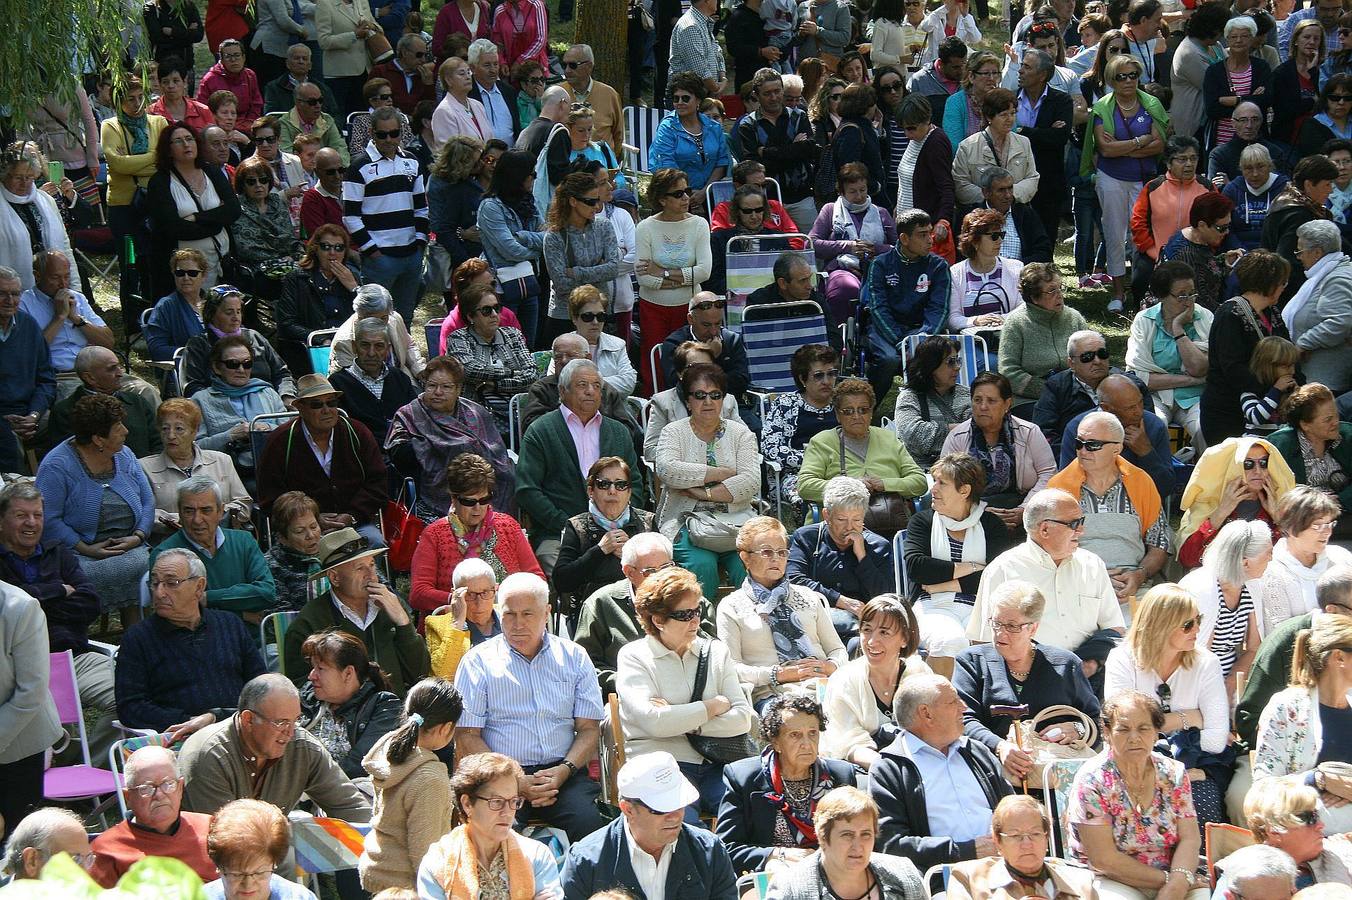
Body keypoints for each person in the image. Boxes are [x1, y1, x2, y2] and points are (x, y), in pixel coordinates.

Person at [452, 572, 606, 841]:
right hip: (498, 775)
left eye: (528, 614)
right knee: (495, 834)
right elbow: (466, 736)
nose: (517, 624)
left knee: (594, 827)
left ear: (546, 612)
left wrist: (564, 770)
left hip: (563, 771)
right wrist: (515, 781)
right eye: (510, 614)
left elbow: (589, 729)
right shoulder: (478, 661)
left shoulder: (573, 657)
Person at [617, 566, 755, 821]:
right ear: (658, 620)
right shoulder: (634, 657)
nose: (695, 620)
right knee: (683, 828)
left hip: (715, 761)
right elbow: (654, 722)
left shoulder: (716, 652)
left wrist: (682, 720)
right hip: (661, 766)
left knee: (751, 815)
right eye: (685, 614)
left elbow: (742, 718)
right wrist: (712, 707)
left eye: (698, 610)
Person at [1103, 584, 1234, 832]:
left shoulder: (1206, 663)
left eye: (1199, 620)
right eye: (1188, 625)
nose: (1197, 630)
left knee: (1203, 808)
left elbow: (1216, 739)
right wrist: (1188, 719)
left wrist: (1149, 729)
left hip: (1194, 768)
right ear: (1160, 626)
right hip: (1136, 768)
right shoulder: (1122, 660)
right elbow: (1122, 732)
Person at [968, 488, 1126, 681]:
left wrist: (1091, 664)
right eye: (1074, 524)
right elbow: (983, 643)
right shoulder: (1003, 570)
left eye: (1081, 522)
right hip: (1028, 681)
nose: (1081, 530)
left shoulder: (1092, 565)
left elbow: (1115, 629)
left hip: (1090, 679)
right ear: (1044, 529)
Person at [1066, 689, 1210, 900]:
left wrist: (1179, 880)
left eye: (1143, 728)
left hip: (1175, 873)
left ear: (1155, 732)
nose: (1134, 738)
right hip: (1111, 879)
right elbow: (1103, 859)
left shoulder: (1173, 773)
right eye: (1123, 729)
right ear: (1107, 732)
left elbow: (1189, 838)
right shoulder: (1093, 780)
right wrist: (1169, 881)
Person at [953, 579, 1100, 780]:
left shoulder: (1065, 664)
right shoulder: (971, 661)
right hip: (992, 774)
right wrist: (999, 747)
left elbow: (1096, 720)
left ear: (1033, 628)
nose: (1000, 633)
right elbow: (962, 720)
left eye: (1012, 626)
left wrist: (1078, 728)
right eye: (996, 623)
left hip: (1053, 778)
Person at [114, 548, 266, 737]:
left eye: (172, 583)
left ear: (199, 587)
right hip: (181, 737)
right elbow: (131, 707)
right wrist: (189, 721)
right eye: (154, 583)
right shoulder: (138, 638)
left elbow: (260, 684)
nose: (159, 593)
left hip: (241, 729)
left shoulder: (230, 624)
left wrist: (219, 718)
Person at [869, 672, 1013, 869]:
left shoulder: (975, 751)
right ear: (926, 713)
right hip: (944, 876)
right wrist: (964, 851)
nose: (964, 707)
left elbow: (1011, 809)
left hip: (1007, 866)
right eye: (954, 702)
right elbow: (891, 845)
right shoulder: (890, 768)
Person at [180, 675, 370, 819]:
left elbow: (351, 808)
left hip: (272, 861)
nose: (290, 732)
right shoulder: (209, 755)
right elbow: (226, 837)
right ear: (248, 720)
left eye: (295, 721)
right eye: (281, 722)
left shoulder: (303, 748)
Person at [516, 359, 643, 572]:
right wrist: (569, 525)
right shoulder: (541, 431)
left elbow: (636, 484)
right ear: (562, 391)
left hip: (619, 530)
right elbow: (527, 490)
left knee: (647, 564)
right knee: (559, 569)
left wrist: (621, 522)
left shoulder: (618, 432)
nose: (590, 391)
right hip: (559, 534)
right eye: (582, 385)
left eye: (596, 386)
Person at [35, 393, 154, 616]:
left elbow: (148, 500)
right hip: (78, 552)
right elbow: (48, 518)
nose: (125, 431)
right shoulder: (57, 466)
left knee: (148, 566)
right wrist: (84, 547)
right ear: (98, 439)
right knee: (86, 576)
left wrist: (138, 536)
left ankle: (136, 637)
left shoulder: (125, 455)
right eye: (118, 426)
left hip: (131, 545)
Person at [559, 750, 737, 899]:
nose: (675, 816)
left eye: (680, 804)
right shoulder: (585, 860)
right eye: (661, 809)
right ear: (628, 809)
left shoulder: (710, 850)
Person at [716, 516, 848, 712]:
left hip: (822, 685)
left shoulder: (809, 597)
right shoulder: (731, 606)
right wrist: (779, 674)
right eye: (767, 552)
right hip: (772, 692)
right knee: (796, 716)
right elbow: (732, 668)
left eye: (782, 552)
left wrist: (831, 666)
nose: (776, 558)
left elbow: (838, 650)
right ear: (745, 557)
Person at [652, 363, 759, 598]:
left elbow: (751, 482)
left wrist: (704, 493)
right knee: (702, 566)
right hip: (684, 520)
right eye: (699, 395)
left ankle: (750, 626)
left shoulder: (741, 434)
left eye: (715, 395)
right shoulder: (673, 432)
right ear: (688, 401)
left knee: (750, 565)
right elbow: (668, 471)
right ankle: (700, 626)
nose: (708, 401)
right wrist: (720, 473)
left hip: (736, 521)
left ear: (724, 399)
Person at [905, 451, 1020, 665]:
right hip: (932, 606)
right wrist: (973, 567)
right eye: (935, 481)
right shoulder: (922, 521)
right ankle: (938, 699)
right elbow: (917, 567)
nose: (934, 489)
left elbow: (997, 578)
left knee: (988, 640)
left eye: (942, 483)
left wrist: (943, 585)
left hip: (979, 606)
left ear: (964, 490)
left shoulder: (992, 525)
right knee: (949, 640)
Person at [284, 528, 427, 694]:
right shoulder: (309, 622)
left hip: (395, 711)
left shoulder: (390, 606)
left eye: (372, 565)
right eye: (360, 568)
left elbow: (420, 674)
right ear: (335, 578)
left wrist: (403, 623)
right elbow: (302, 689)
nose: (371, 575)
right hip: (343, 717)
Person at [256, 373, 389, 547]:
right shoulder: (280, 441)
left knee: (375, 541)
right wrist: (310, 519)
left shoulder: (357, 432)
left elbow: (378, 483)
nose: (326, 410)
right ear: (301, 408)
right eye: (316, 404)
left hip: (355, 522)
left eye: (331, 402)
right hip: (300, 528)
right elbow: (270, 497)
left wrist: (352, 515)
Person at [1047, 411, 1170, 600]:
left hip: (1131, 587)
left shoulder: (1141, 482)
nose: (1083, 451)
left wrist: (1140, 575)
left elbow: (1159, 545)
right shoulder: (1058, 488)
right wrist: (1090, 580)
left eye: (1093, 445)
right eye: (1079, 443)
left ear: (1117, 449)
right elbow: (1046, 549)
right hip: (1074, 587)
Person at [357, 678, 461, 893]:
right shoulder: (430, 777)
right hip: (406, 885)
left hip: (375, 870)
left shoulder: (390, 752)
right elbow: (425, 849)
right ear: (447, 728)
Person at [1081, 53, 1167, 311]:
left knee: (1144, 234)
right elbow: (1104, 150)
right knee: (1114, 234)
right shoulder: (1103, 108)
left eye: (1133, 75)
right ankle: (1118, 293)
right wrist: (1140, 142)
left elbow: (1159, 144)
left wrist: (1124, 147)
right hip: (1112, 178)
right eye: (1121, 76)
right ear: (1111, 80)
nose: (1128, 81)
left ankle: (1145, 288)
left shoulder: (1151, 104)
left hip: (1144, 179)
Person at [1253, 613, 1352, 832]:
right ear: (1339, 657)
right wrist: (1317, 779)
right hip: (1307, 832)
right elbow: (1262, 789)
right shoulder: (1287, 708)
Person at [415, 752, 561, 899]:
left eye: (513, 802)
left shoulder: (536, 856)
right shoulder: (439, 863)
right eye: (497, 802)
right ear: (467, 804)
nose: (507, 813)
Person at [385, 356, 514, 523]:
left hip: (484, 485)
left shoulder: (475, 412)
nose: (438, 392)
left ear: (458, 389)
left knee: (509, 475)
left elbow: (496, 451)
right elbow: (398, 452)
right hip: (431, 493)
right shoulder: (409, 414)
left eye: (446, 387)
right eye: (432, 385)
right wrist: (434, 445)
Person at [408, 452, 538, 614]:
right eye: (469, 502)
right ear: (454, 499)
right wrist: (459, 601)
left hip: (507, 617)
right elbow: (418, 593)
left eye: (484, 500)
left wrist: (509, 597)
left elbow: (536, 578)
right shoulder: (435, 534)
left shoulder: (508, 527)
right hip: (455, 621)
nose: (478, 508)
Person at [818, 594, 932, 771]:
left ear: (905, 638)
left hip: (919, 762)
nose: (872, 642)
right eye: (867, 630)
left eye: (884, 632)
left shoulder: (920, 674)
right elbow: (849, 745)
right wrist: (890, 769)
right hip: (864, 770)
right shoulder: (843, 680)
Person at [941, 371, 1057, 530]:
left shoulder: (1029, 432)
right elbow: (946, 482)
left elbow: (1048, 473)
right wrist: (979, 511)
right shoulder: (957, 437)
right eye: (977, 400)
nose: (983, 407)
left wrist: (1025, 509)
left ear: (1007, 404)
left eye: (991, 401)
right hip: (972, 515)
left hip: (1024, 508)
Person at [343, 106, 426, 324]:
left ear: (401, 132)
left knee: (404, 318)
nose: (389, 139)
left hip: (411, 254)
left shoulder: (413, 161)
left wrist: (420, 242)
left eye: (394, 133)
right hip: (380, 259)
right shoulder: (358, 167)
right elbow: (350, 216)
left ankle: (400, 358)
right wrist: (372, 251)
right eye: (382, 134)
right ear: (372, 134)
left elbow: (421, 207)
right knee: (374, 321)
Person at [1200, 250, 1294, 444]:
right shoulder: (1229, 314)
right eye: (1282, 282)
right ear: (1269, 283)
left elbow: (1288, 354)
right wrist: (1275, 388)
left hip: (1266, 412)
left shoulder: (1272, 312)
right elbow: (1233, 368)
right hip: (1228, 412)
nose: (1285, 287)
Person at [787, 476, 897, 639]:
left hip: (862, 629)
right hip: (814, 622)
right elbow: (794, 580)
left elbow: (885, 595)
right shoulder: (806, 538)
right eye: (841, 519)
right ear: (826, 515)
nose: (850, 527)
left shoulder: (878, 545)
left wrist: (862, 557)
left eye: (857, 520)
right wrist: (841, 600)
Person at [88, 746, 215, 886]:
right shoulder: (106, 850)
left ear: (180, 788)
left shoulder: (210, 828)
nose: (159, 795)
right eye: (146, 789)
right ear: (128, 797)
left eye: (168, 784)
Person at [149, 476, 275, 616]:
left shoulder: (244, 541)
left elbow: (267, 593)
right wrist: (242, 614)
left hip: (248, 636)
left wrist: (205, 598)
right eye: (189, 511)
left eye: (206, 510)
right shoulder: (165, 554)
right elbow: (174, 610)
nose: (197, 520)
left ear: (220, 511)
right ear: (179, 512)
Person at [636, 169, 713, 394]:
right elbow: (643, 277)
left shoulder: (699, 224)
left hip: (689, 308)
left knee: (692, 361)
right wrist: (685, 278)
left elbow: (704, 272)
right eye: (678, 194)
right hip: (653, 309)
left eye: (687, 191)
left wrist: (663, 272)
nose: (686, 198)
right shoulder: (645, 227)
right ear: (662, 199)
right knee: (655, 363)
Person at [145, 122, 241, 298]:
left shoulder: (212, 171)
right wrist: (216, 222)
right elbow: (173, 228)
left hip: (222, 259)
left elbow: (233, 210)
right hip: (186, 270)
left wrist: (197, 217)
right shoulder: (160, 183)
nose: (186, 144)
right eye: (179, 141)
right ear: (168, 150)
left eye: (189, 139)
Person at [863, 209, 950, 401]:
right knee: (889, 359)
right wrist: (900, 341)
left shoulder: (939, 266)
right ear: (904, 238)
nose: (930, 239)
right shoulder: (880, 264)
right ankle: (868, 406)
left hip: (921, 329)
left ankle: (931, 410)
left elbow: (939, 309)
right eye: (922, 235)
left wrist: (921, 337)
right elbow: (878, 309)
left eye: (930, 232)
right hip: (885, 330)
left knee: (932, 357)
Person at [554, 457, 655, 617]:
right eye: (604, 484)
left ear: (629, 492)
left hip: (643, 611)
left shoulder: (648, 523)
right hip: (593, 614)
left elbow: (667, 575)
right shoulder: (576, 525)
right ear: (591, 491)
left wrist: (632, 556)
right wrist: (599, 550)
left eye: (620, 485)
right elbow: (562, 581)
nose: (612, 491)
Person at [102, 77, 166, 327]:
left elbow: (166, 160)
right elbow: (116, 163)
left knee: (155, 259)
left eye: (142, 97)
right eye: (131, 99)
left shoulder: (158, 122)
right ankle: (132, 321)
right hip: (123, 206)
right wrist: (153, 158)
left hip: (154, 203)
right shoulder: (111, 126)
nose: (138, 104)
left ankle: (158, 316)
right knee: (130, 261)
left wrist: (135, 163)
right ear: (119, 101)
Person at [297, 628, 402, 779]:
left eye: (320, 668)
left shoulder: (383, 706)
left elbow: (360, 763)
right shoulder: (307, 699)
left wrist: (314, 788)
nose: (311, 676)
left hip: (349, 794)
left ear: (348, 673)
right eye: (313, 668)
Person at [1126, 261, 1211, 447]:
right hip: (1156, 397)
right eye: (1181, 296)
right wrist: (1192, 380)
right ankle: (1160, 475)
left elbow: (1199, 368)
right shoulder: (1144, 321)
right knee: (1154, 428)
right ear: (1162, 296)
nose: (1189, 301)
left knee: (1205, 429)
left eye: (1192, 294)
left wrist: (1178, 328)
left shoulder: (1204, 318)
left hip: (1195, 397)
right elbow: (1141, 378)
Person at [1178, 437, 1295, 569]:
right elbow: (1188, 559)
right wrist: (1218, 516)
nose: (1258, 471)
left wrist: (1277, 518)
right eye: (1248, 464)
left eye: (1264, 463)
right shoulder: (1209, 502)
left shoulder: (1278, 501)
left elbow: (1295, 556)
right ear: (1234, 467)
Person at [189, 334, 289, 477]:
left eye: (247, 363)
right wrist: (230, 435)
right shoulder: (200, 400)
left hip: (274, 466)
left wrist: (267, 429)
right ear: (217, 368)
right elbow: (194, 447)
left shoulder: (267, 392)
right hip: (226, 473)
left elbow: (291, 433)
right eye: (233, 364)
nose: (241, 370)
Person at [809, 163, 898, 322]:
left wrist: (875, 249)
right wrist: (848, 246)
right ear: (841, 192)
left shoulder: (881, 213)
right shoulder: (830, 210)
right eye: (852, 191)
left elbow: (899, 248)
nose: (859, 196)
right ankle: (839, 339)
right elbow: (812, 244)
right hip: (842, 269)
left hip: (878, 270)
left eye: (862, 190)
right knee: (845, 289)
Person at [443, 283, 535, 432]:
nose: (494, 314)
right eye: (486, 310)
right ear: (470, 316)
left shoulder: (513, 334)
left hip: (517, 414)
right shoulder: (459, 338)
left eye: (497, 308)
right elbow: (469, 370)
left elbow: (532, 374)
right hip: (475, 415)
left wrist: (496, 385)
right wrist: (510, 372)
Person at [737, 69, 821, 231]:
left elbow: (809, 150)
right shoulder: (748, 125)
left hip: (801, 196)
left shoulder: (799, 116)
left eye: (777, 91)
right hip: (765, 200)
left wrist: (767, 152)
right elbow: (754, 166)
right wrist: (793, 150)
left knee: (811, 246)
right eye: (767, 93)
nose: (774, 97)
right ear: (756, 94)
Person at [540, 177, 620, 346]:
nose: (597, 207)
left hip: (599, 314)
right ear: (573, 201)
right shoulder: (554, 236)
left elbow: (613, 269)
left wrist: (577, 272)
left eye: (598, 200)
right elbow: (561, 283)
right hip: (565, 317)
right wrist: (599, 270)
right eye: (591, 202)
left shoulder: (604, 226)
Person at [1129, 137, 1211, 299]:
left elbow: (1218, 224)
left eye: (1193, 158)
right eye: (1182, 159)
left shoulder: (1207, 188)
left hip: (1196, 256)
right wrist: (1155, 253)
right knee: (1140, 280)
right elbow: (1138, 223)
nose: (1189, 164)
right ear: (1168, 163)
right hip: (1155, 254)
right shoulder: (1153, 187)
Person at [182, 286, 296, 399]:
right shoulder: (198, 345)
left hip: (268, 402)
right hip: (222, 406)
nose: (236, 317)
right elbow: (193, 387)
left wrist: (286, 396)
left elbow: (282, 374)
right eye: (229, 312)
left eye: (238, 311)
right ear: (211, 314)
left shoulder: (255, 337)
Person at [48, 346, 162, 459]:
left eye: (119, 366)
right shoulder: (65, 412)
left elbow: (159, 442)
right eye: (112, 368)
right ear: (89, 377)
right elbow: (69, 458)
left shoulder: (137, 402)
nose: (120, 373)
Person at [275, 225, 360, 375]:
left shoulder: (352, 276)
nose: (332, 253)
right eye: (326, 247)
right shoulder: (297, 279)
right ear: (316, 249)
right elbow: (286, 323)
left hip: (348, 346)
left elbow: (369, 316)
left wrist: (354, 288)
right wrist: (321, 339)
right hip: (313, 348)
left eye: (339, 248)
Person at [997, 263, 1087, 403]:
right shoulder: (1016, 323)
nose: (1059, 295)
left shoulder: (1074, 318)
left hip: (1075, 392)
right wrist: (1047, 390)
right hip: (1031, 399)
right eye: (1052, 291)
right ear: (1034, 298)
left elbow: (1091, 356)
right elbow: (1008, 371)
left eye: (1060, 288)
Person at [1239, 778, 1352, 888]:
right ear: (1274, 831)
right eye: (1309, 818)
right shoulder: (1247, 880)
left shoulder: (1342, 851)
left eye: (1316, 814)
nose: (1320, 825)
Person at [21, 249, 116, 376]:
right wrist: (59, 317)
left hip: (94, 371)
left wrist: (76, 318)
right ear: (37, 276)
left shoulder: (78, 298)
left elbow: (108, 342)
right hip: (58, 375)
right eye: (55, 277)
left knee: (143, 391)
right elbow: (32, 352)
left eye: (67, 276)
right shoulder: (23, 304)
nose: (63, 284)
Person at [1284, 220, 1352, 393]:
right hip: (1317, 379)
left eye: (1300, 251)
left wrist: (1303, 344)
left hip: (1328, 384)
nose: (1298, 257)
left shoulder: (1337, 278)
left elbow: (1340, 322)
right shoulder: (1327, 273)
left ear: (1316, 252)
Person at [953, 88, 1039, 222]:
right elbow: (960, 185)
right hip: (981, 218)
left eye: (1013, 113)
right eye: (1004, 114)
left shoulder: (1024, 142)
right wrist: (992, 198)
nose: (1010, 119)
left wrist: (1009, 195)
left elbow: (1032, 178)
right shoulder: (967, 146)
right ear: (989, 117)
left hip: (1017, 215)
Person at [1263, 156, 1342, 304]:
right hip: (1295, 297)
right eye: (1327, 184)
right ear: (1309, 184)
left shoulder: (1295, 203)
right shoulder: (1297, 215)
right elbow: (1288, 263)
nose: (1331, 190)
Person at [1269, 486, 1352, 626]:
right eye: (1318, 525)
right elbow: (1278, 632)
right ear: (1291, 528)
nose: (1327, 532)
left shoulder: (1341, 557)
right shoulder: (1272, 571)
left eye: (1330, 524)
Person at [0, 143, 76, 294]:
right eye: (18, 177)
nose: (24, 183)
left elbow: (65, 248)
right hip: (11, 294)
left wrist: (75, 287)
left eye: (29, 177)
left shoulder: (46, 200)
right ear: (5, 175)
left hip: (53, 289)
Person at [328, 318, 418, 441]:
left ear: (387, 349)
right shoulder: (337, 384)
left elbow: (416, 419)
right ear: (354, 347)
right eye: (365, 345)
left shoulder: (400, 378)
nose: (371, 353)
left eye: (379, 346)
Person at [1270, 388, 1352, 522]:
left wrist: (1340, 500)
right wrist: (1312, 503)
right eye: (1328, 419)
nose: (1336, 422)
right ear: (1305, 424)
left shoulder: (1348, 435)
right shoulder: (1279, 446)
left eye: (1336, 415)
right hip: (1300, 521)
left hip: (1345, 516)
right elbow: (1277, 491)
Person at [893, 336, 972, 471]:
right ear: (931, 366)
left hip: (960, 470)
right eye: (950, 362)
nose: (957, 367)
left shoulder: (966, 394)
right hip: (918, 470)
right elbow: (914, 435)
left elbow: (979, 432)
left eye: (958, 361)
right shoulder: (909, 396)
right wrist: (961, 429)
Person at [0, 266, 52, 470]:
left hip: (29, 411)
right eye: (2, 294)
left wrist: (33, 415)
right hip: (3, 414)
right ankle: (16, 497)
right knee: (6, 439)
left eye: (15, 294)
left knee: (76, 423)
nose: (10, 300)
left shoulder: (29, 326)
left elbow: (46, 379)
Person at [328, 284, 426, 381]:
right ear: (360, 316)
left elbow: (409, 345)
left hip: (400, 377)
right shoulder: (344, 341)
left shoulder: (394, 318)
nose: (380, 324)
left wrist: (419, 368)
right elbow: (346, 382)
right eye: (372, 320)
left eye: (383, 318)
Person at [230, 159, 303, 272]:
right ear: (242, 185)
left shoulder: (277, 202)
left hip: (288, 265)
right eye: (251, 181)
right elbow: (245, 248)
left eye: (263, 180)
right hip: (254, 271)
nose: (258, 185)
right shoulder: (236, 208)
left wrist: (292, 257)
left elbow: (290, 239)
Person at [263, 491, 324, 613]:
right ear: (282, 537)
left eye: (314, 527)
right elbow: (281, 618)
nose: (311, 535)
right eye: (299, 531)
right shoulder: (270, 566)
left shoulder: (335, 550)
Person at [940, 50, 1004, 152]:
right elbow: (954, 145)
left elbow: (1011, 138)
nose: (992, 78)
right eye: (986, 73)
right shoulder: (956, 102)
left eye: (995, 73)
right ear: (971, 76)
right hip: (966, 164)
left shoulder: (1003, 101)